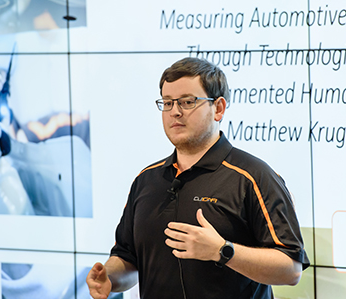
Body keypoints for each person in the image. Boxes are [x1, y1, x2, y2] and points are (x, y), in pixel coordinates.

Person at [86, 57, 310, 299]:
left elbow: (291, 269)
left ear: (219, 108)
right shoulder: (146, 180)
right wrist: (109, 277)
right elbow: (128, 259)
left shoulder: (253, 177)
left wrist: (222, 251)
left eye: (188, 102)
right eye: (168, 102)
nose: (175, 112)